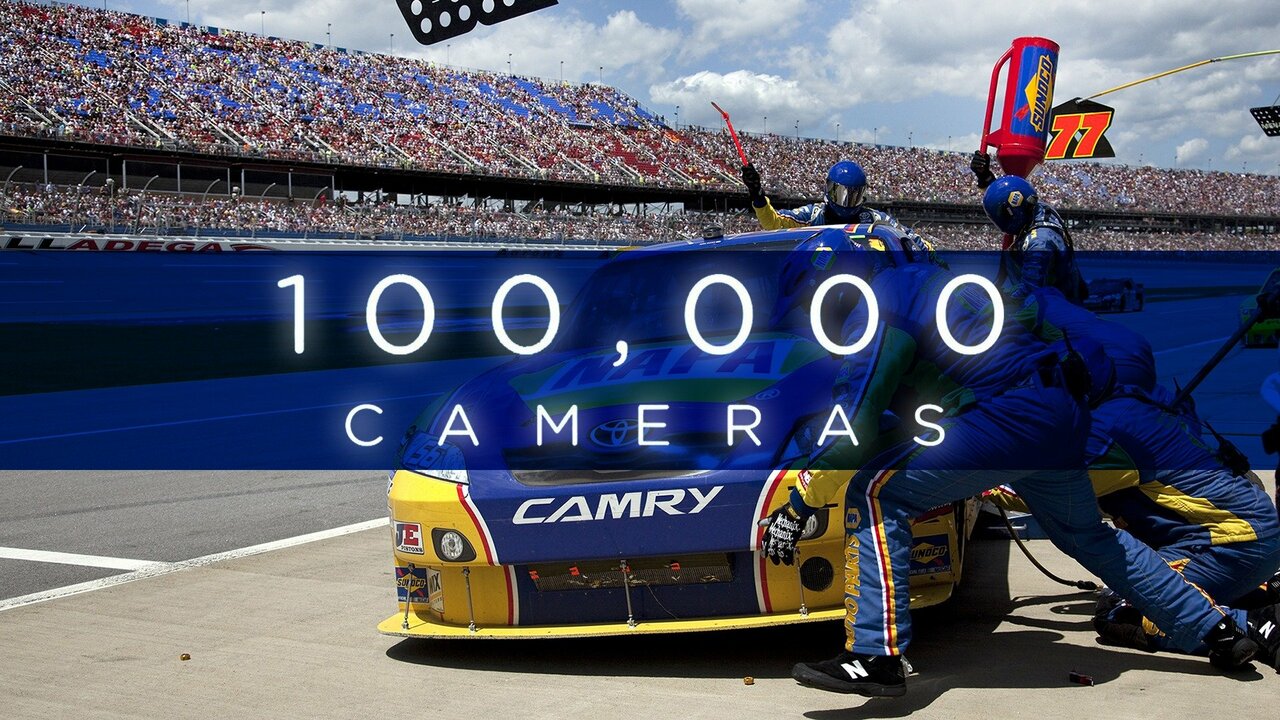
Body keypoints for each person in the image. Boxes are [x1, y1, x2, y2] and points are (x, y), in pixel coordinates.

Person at [759, 226, 1260, 697]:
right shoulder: (943, 281)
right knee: (1092, 539)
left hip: (1006, 417)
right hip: (1059, 413)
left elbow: (858, 421)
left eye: (814, 305)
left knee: (873, 493)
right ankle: (1216, 628)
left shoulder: (881, 302)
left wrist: (801, 501)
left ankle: (876, 654)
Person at [986, 384, 1280, 668]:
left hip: (1231, 543)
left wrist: (974, 481)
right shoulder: (1132, 411)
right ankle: (1266, 590)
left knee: (1118, 612)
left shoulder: (1107, 442)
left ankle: (1254, 625)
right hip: (1253, 533)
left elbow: (1052, 491)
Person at [741, 160, 941, 264]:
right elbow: (774, 223)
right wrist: (757, 195)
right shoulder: (814, 215)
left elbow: (913, 239)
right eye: (841, 194)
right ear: (829, 190)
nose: (846, 202)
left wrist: (938, 260)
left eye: (853, 195)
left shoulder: (874, 219)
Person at [979, 170, 1087, 303]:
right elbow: (1011, 198)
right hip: (1059, 294)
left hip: (1054, 308)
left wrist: (1000, 300)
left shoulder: (1039, 242)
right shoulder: (1036, 209)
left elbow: (1029, 291)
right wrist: (986, 179)